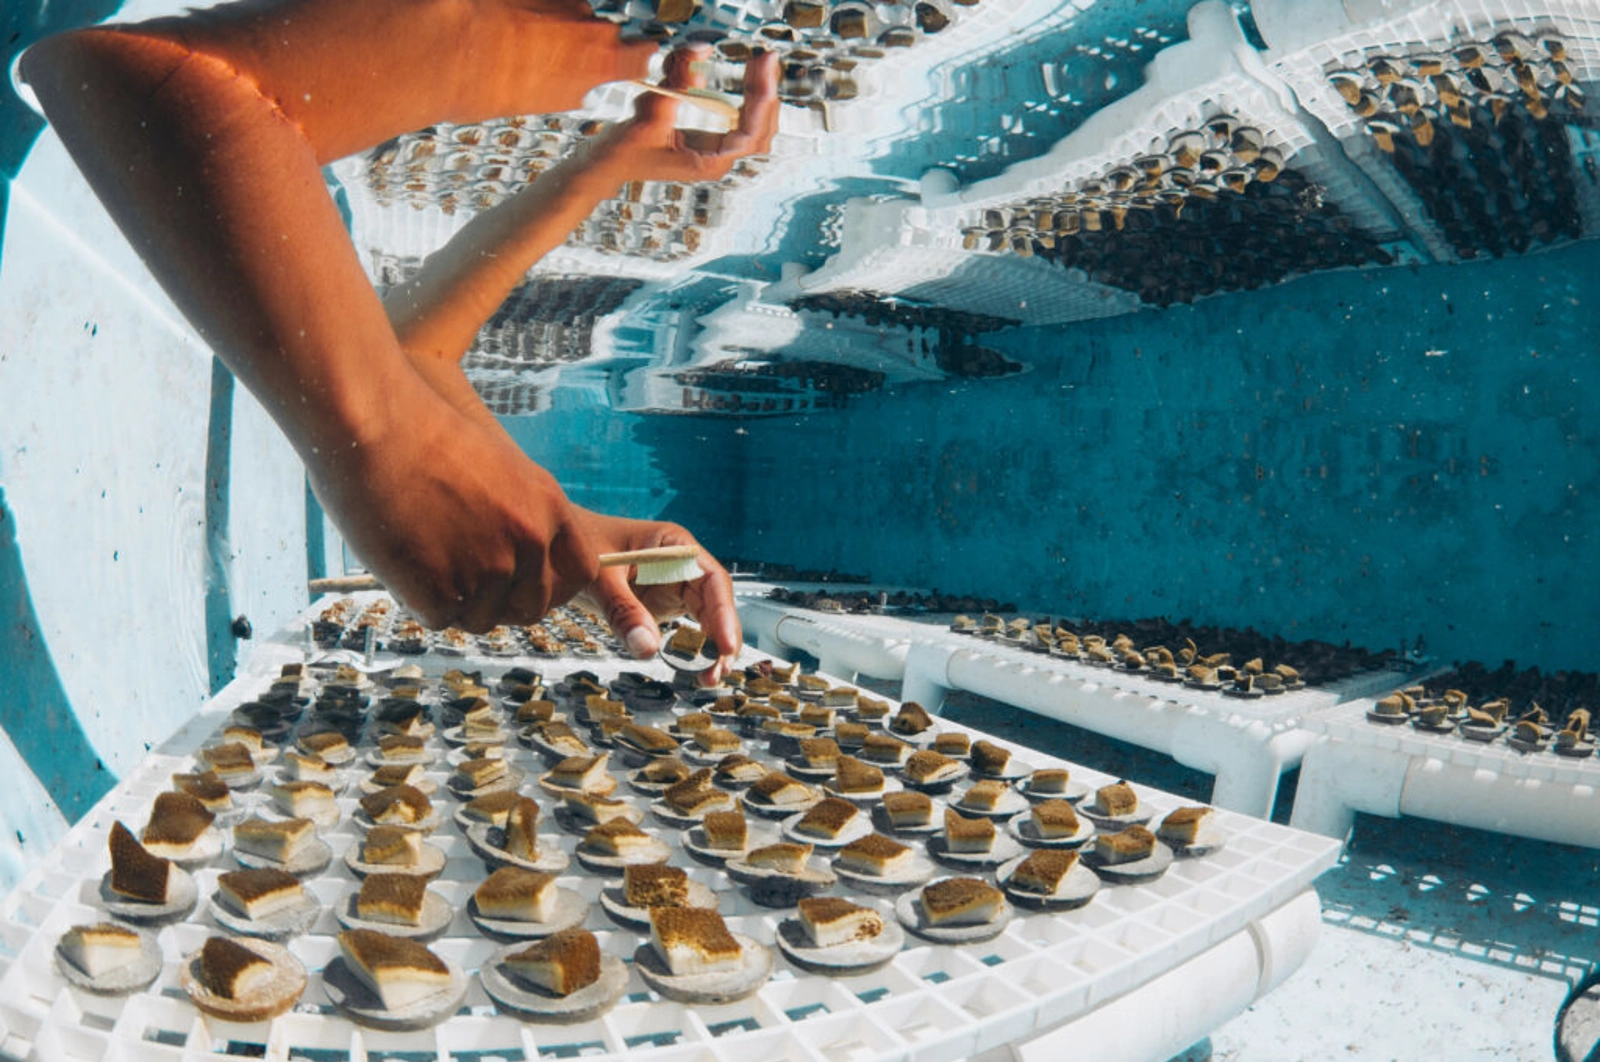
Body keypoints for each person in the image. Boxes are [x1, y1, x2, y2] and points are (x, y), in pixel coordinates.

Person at [20, 0, 781, 682]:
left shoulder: (578, 43)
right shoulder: (566, 38)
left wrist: (606, 162)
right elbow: (119, 76)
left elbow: (409, 353)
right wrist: (383, 440)